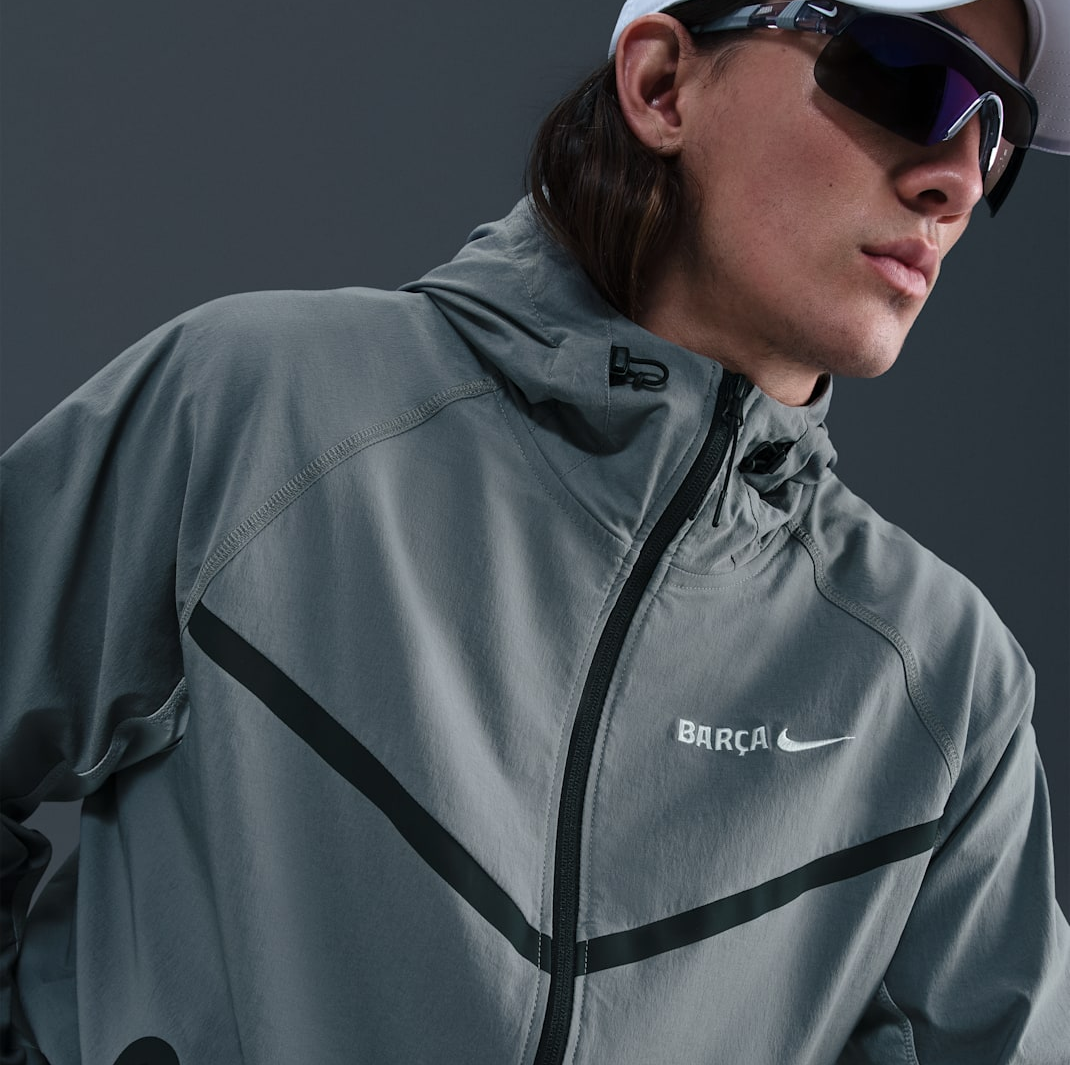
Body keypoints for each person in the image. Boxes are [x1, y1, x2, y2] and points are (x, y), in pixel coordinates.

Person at [2, 0, 1068, 1061]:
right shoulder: (263, 416)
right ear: (661, 85)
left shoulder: (940, 687)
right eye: (909, 75)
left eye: (998, 133)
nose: (958, 182)